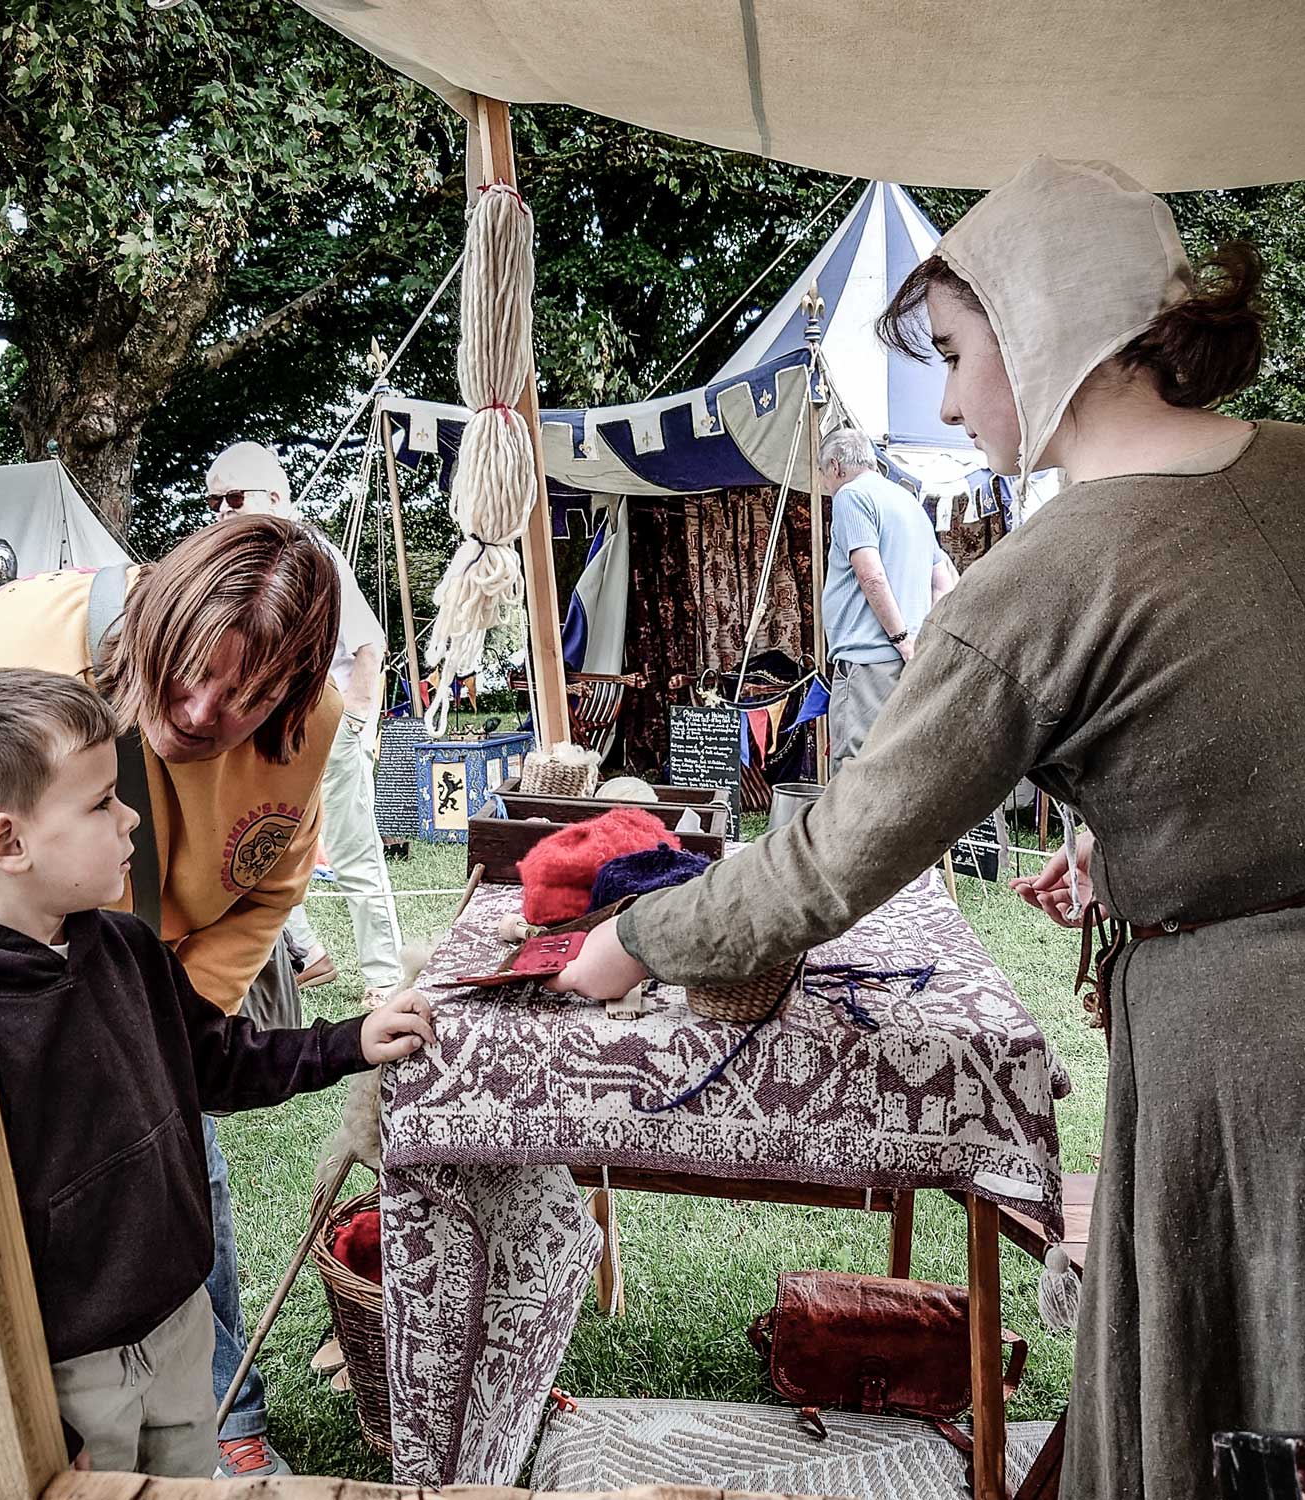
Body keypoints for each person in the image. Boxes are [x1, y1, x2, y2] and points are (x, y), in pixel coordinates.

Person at [551, 157, 1303, 1500]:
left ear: (1046, 328)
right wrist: (1144, 832)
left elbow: (831, 859)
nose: (947, 403)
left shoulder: (1042, 579)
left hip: (1250, 1074)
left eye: (956, 354)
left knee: (1241, 1414)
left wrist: (638, 937)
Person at [0, 667, 434, 1475]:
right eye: (101, 803)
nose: (130, 816)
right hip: (74, 1374)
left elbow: (218, 1060)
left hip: (180, 1322)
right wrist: (43, 1420)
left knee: (187, 1480)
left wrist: (348, 1042)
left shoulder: (129, 949)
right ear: (8, 843)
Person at [0, 515, 339, 1477]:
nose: (203, 712)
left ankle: (228, 1418)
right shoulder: (17, 647)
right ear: (150, 627)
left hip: (149, 978)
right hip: (21, 995)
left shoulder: (306, 720)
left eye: (248, 697)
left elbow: (271, 886)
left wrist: (159, 1024)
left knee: (187, 1197)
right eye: (189, 673)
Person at [206, 441, 403, 1004]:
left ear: (274, 497)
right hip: (267, 732)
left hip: (327, 727)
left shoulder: (314, 555)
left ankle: (385, 978)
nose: (220, 512)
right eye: (214, 502)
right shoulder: (239, 561)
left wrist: (358, 724)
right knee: (254, 849)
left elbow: (369, 644)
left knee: (353, 852)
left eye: (233, 498)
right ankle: (307, 955)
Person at [818, 427, 957, 774]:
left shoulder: (851, 496)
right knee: (895, 768)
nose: (825, 483)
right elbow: (943, 579)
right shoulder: (908, 501)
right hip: (906, 661)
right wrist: (921, 641)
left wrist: (901, 638)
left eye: (823, 473)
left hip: (869, 662)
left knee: (855, 771)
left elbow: (871, 576)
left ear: (835, 466)